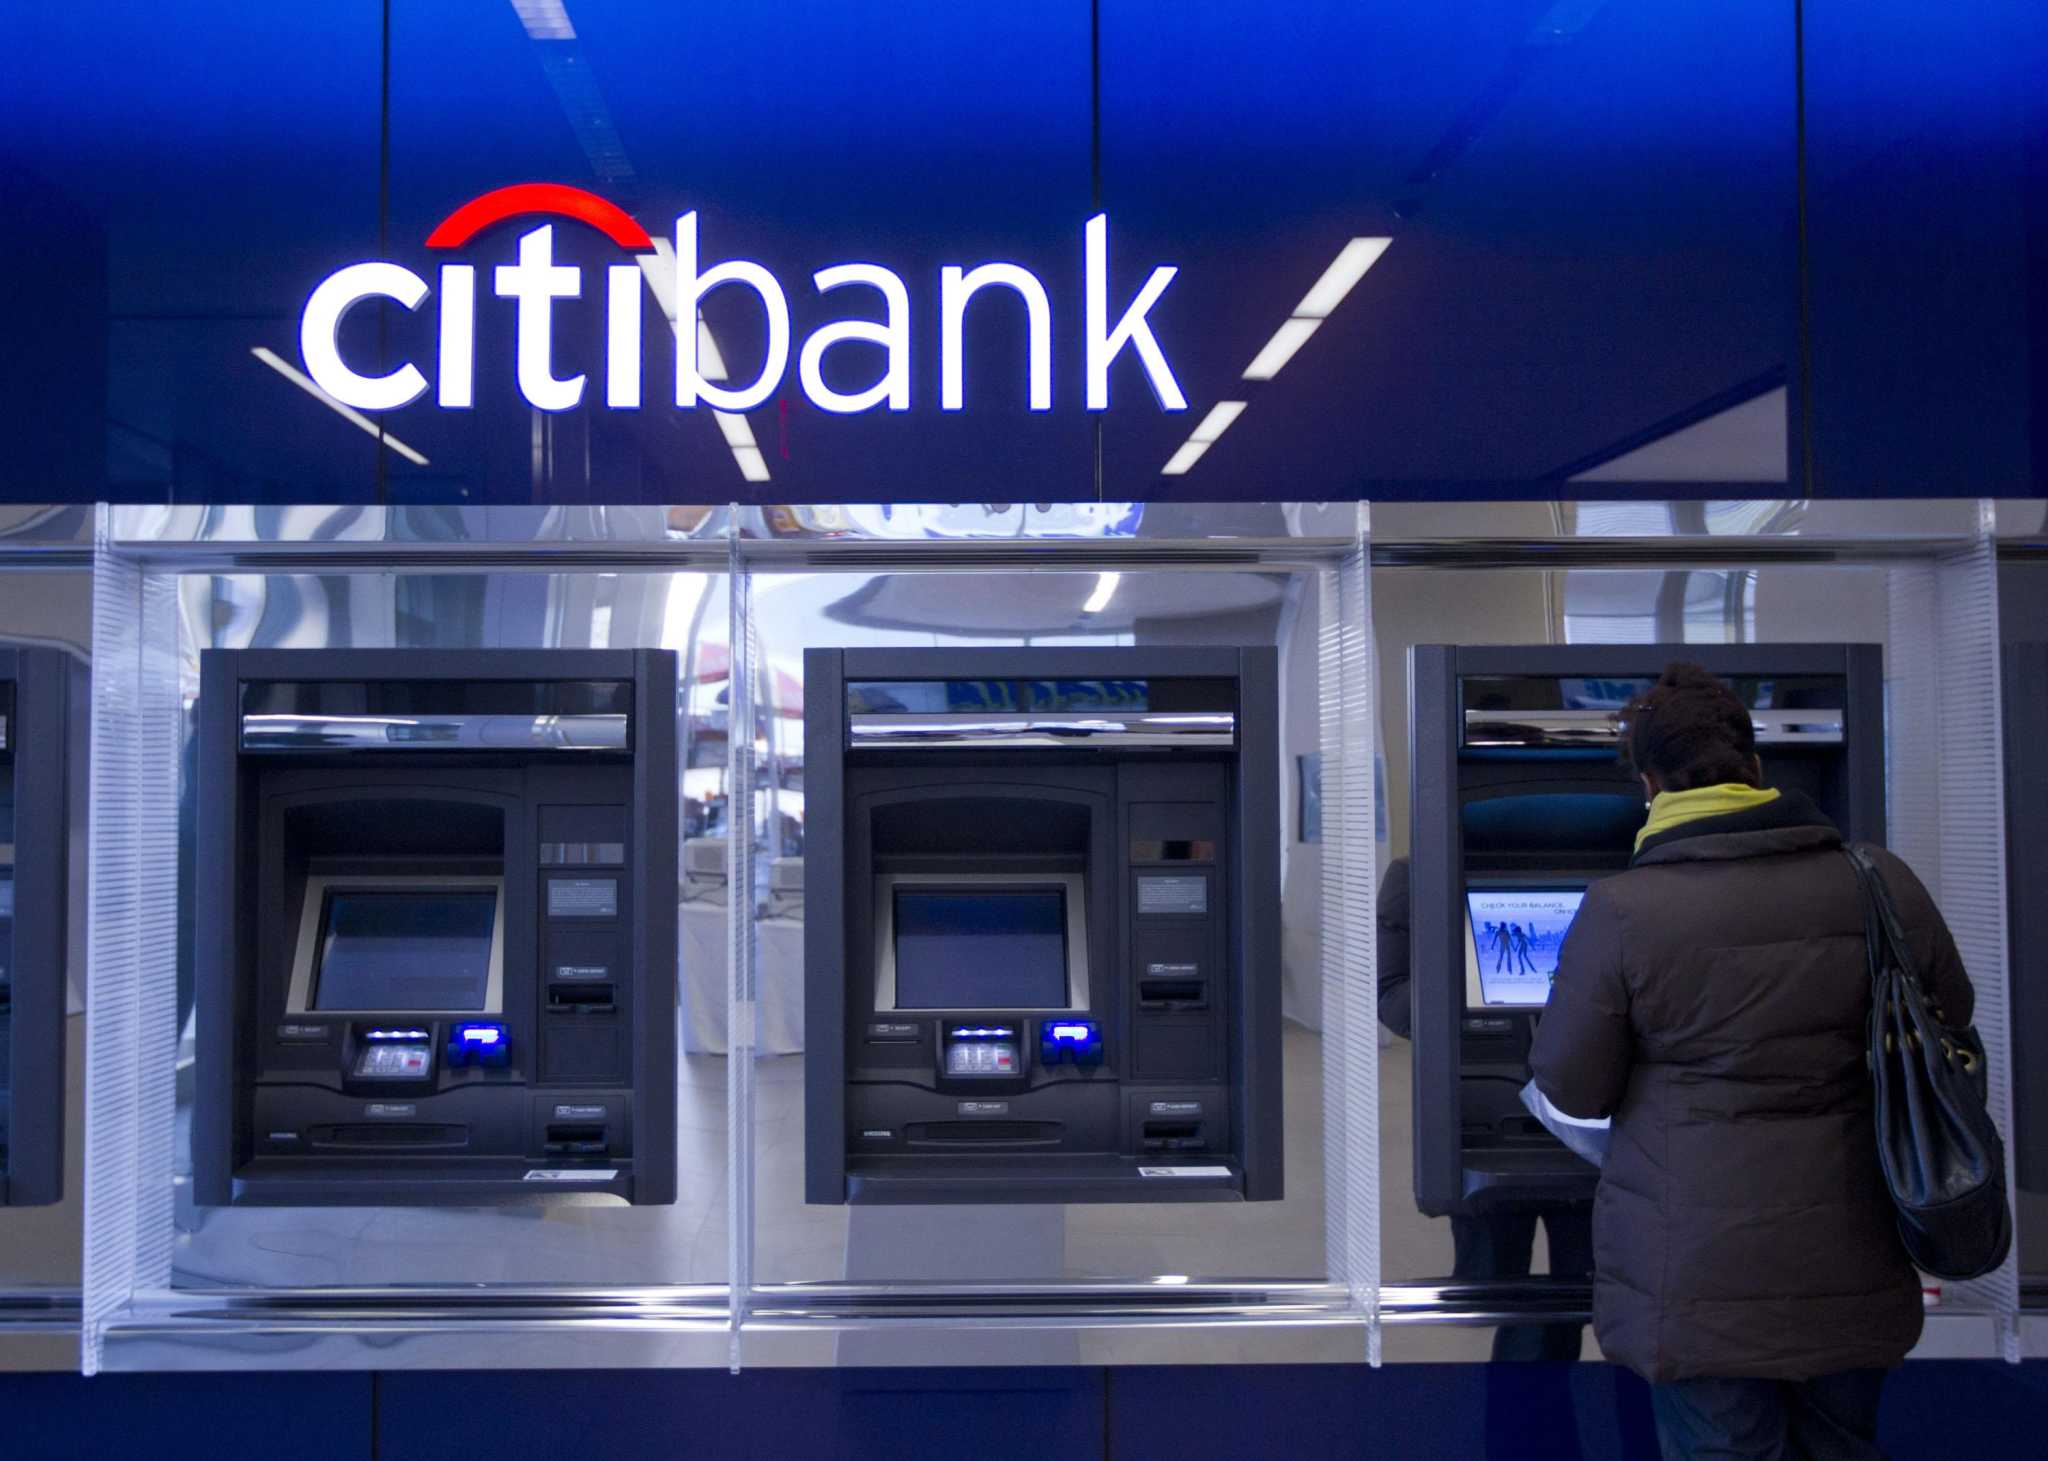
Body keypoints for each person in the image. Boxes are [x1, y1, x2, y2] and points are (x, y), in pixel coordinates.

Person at [1530, 662, 1973, 1460]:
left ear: (1649, 785)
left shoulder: (1623, 910)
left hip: (1699, 1285)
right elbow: (1951, 1021)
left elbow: (1572, 1084)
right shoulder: (1879, 882)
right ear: (1757, 767)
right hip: (1852, 1265)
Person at [1377, 857, 1593, 1365]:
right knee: (1493, 1289)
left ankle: (1541, 1400)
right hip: (1483, 1125)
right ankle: (1517, 1404)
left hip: (1594, 1124)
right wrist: (1471, 987)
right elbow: (1391, 1000)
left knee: (1585, 1293)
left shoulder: (1617, 866)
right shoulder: (1418, 874)